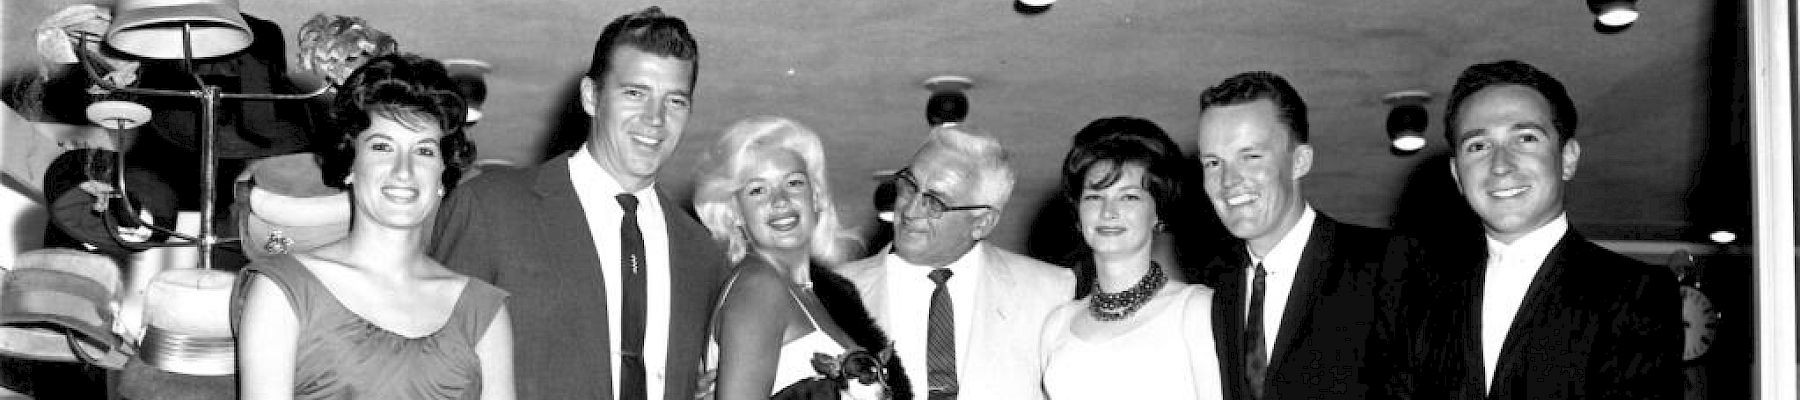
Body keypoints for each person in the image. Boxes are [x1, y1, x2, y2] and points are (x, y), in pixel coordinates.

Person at [429, 7, 728, 400]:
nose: (655, 119)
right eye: (635, 93)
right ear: (591, 97)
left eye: (675, 101)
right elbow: (435, 367)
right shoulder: (493, 206)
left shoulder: (702, 254)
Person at [1385, 60, 1680, 399]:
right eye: (1478, 146)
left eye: (1525, 139)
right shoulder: (1418, 301)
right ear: (1457, 176)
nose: (1500, 166)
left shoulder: (1636, 292)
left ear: (1567, 158)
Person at [236, 54, 513, 399]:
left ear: (443, 175)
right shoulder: (283, 290)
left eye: (424, 152)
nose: (403, 170)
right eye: (382, 147)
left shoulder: (482, 312)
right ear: (351, 165)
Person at [1191, 71, 1416, 400]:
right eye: (1213, 163)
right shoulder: (1213, 291)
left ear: (1300, 161)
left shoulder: (1386, 264)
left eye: (1250, 156)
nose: (1228, 182)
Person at [837, 124, 1075, 400]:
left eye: (936, 201)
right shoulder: (830, 293)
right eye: (910, 186)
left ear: (982, 223)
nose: (911, 210)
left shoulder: (1051, 292)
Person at [691, 116, 905, 399]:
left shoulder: (808, 294)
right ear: (735, 213)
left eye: (793, 183)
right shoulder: (760, 287)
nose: (779, 200)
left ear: (815, 197)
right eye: (758, 190)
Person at [1039, 116, 1223, 399]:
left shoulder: (1196, 309)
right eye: (1094, 197)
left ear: (1158, 212)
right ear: (1078, 212)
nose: (1108, 212)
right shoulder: (1058, 324)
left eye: (1129, 197)